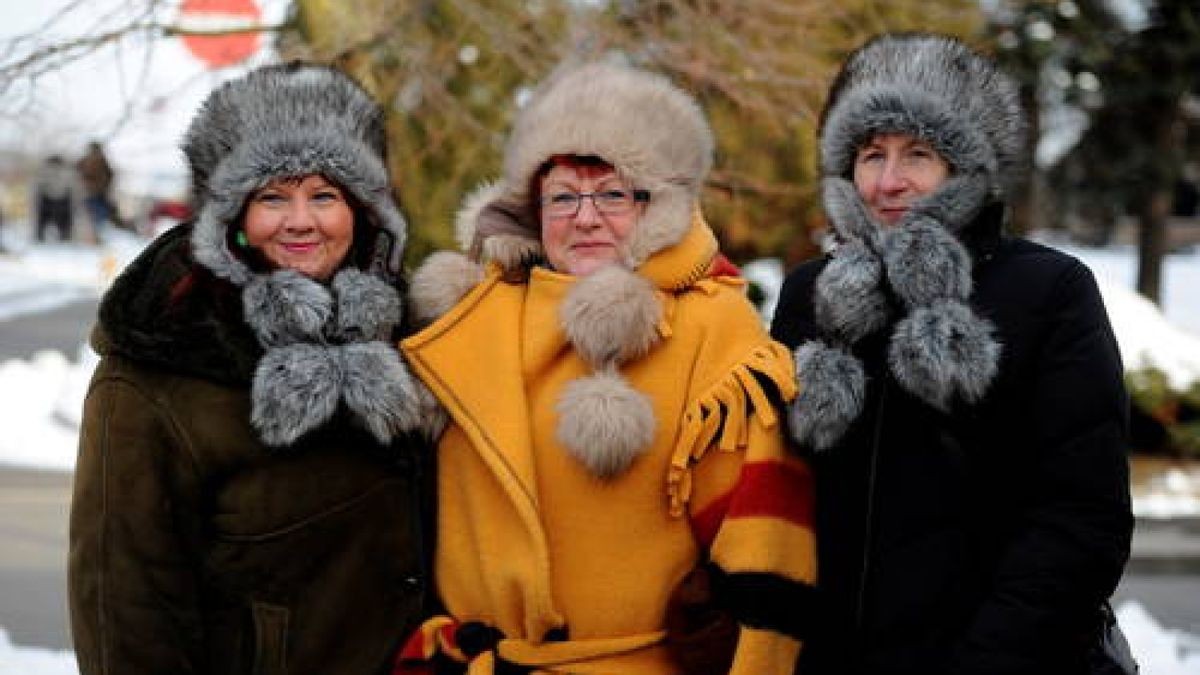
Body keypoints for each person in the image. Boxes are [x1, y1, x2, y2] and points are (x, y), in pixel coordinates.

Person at [396, 61, 816, 674]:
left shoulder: (711, 330)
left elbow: (766, 547)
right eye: (562, 196)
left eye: (612, 194)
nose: (585, 218)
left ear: (657, 207)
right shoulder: (467, 323)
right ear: (531, 210)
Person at [770, 33, 1133, 674]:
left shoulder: (1048, 290)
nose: (887, 181)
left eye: (918, 152)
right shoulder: (809, 295)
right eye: (869, 154)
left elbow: (1079, 521)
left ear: (968, 166)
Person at [69, 63, 440, 675]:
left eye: (324, 195)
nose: (300, 220)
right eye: (272, 196)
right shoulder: (158, 369)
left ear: (364, 212)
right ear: (230, 217)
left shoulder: (407, 336)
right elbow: (126, 622)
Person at [76, 140, 119, 238]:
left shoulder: (101, 161)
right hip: (91, 192)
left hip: (96, 193)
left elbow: (110, 175)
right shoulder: (87, 160)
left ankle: (96, 235)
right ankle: (94, 235)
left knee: (97, 215)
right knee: (92, 214)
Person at [35, 154, 75, 242]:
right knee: (46, 221)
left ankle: (64, 236)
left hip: (58, 199)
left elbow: (69, 186)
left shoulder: (64, 171)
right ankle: (41, 237)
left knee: (63, 222)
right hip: (52, 199)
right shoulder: (47, 170)